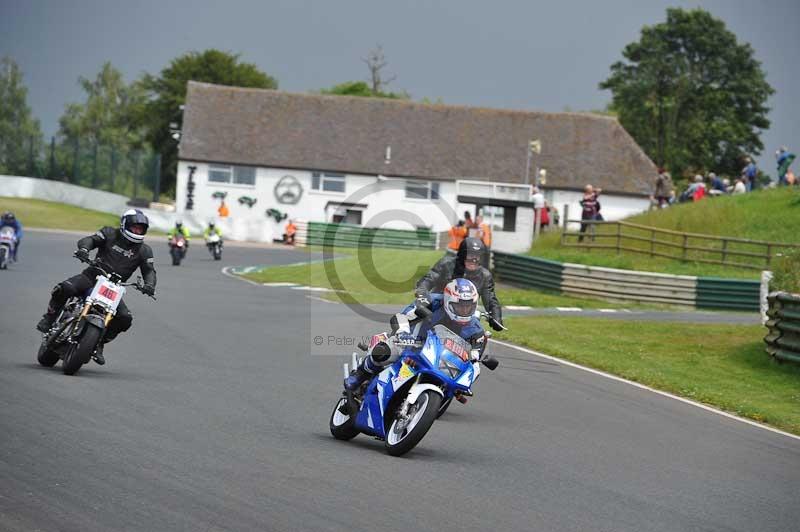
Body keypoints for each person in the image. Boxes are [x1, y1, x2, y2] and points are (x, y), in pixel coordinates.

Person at [35, 209, 156, 365]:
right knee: (64, 288)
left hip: (113, 288)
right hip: (91, 277)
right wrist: (84, 250)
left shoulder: (145, 250)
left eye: (140, 228)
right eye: (134, 227)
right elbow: (90, 240)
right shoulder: (109, 233)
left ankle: (98, 343)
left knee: (125, 318)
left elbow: (149, 271)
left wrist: (150, 285)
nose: (137, 231)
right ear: (125, 224)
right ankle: (49, 317)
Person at [345, 278, 488, 391]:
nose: (464, 311)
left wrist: (471, 365)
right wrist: (403, 333)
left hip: (442, 358)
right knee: (384, 351)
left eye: (468, 306)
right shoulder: (431, 302)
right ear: (448, 301)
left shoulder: (475, 328)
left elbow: (475, 358)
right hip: (413, 343)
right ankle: (360, 373)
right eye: (459, 306)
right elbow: (402, 317)